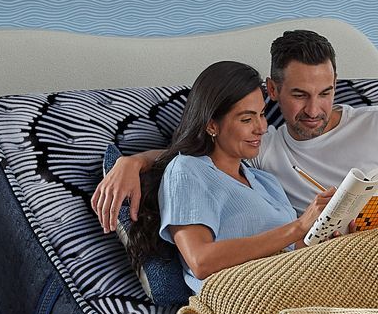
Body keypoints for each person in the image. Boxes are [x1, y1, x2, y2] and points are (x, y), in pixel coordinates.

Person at [94, 28, 378, 235]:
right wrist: (133, 161)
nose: (314, 110)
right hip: (375, 258)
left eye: (325, 93)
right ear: (271, 90)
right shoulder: (262, 152)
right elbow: (200, 149)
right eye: (299, 96)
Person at [123, 60, 341, 293]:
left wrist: (328, 236)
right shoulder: (187, 170)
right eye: (246, 119)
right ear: (212, 126)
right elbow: (200, 261)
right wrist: (298, 226)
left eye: (262, 114)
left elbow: (292, 249)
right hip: (245, 293)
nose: (261, 127)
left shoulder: (265, 182)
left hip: (294, 280)